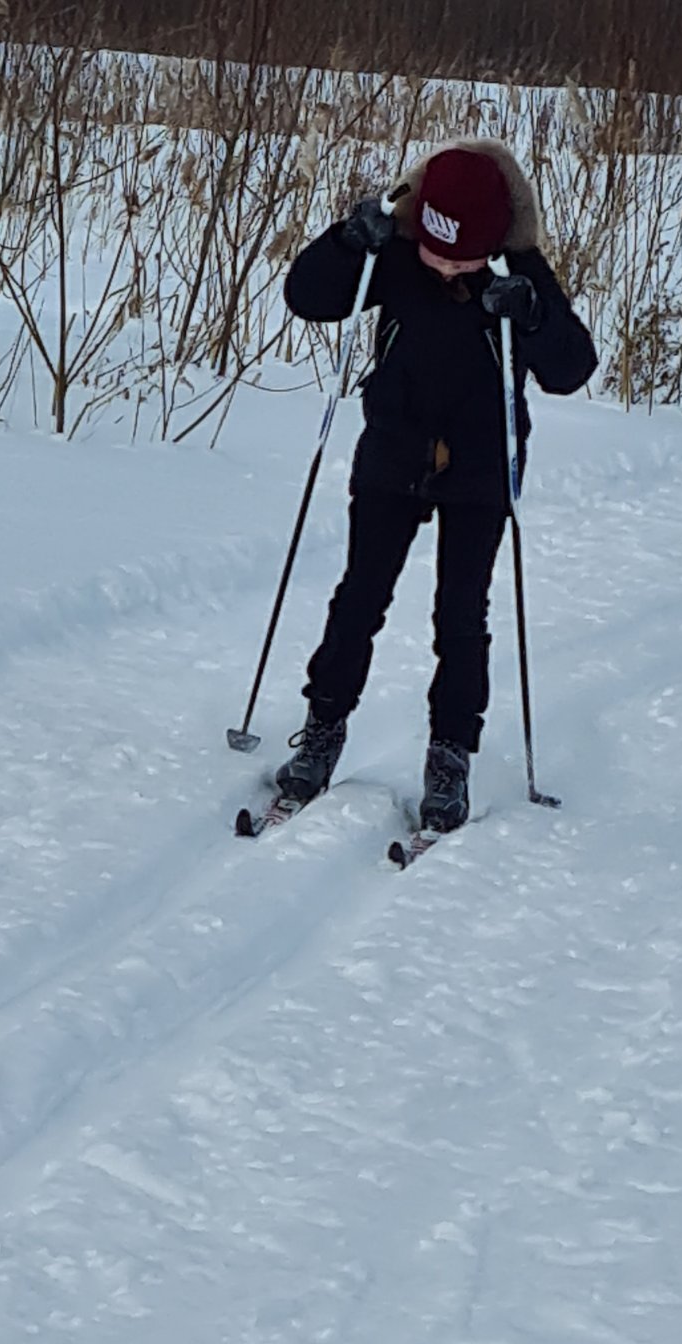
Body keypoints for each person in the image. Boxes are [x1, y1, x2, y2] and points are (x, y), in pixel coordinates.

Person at [276, 138, 597, 831]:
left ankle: (451, 753)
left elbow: (571, 369)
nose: (448, 264)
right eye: (437, 249)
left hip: (481, 466)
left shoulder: (517, 269)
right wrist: (345, 242)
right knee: (359, 597)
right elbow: (308, 298)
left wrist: (533, 316)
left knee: (461, 615)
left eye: (463, 255)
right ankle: (323, 726)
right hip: (394, 451)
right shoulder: (395, 249)